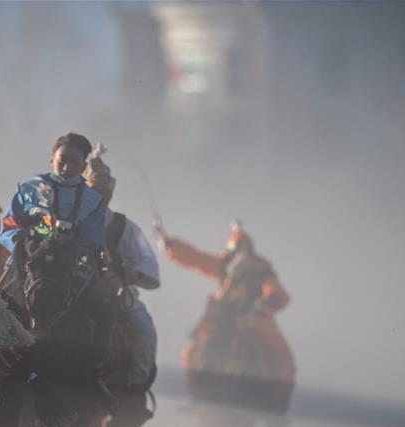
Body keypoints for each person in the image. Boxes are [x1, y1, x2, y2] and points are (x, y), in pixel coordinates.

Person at [1, 132, 116, 394]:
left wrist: (69, 250)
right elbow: (8, 226)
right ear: (52, 158)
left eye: (75, 163)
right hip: (30, 265)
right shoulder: (29, 190)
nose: (66, 168)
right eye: (62, 160)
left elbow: (92, 239)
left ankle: (96, 371)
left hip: (72, 269)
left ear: (84, 167)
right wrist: (24, 242)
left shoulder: (92, 200)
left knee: (105, 309)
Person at [156, 222, 295, 403]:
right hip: (221, 315)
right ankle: (196, 392)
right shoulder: (224, 265)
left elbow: (276, 291)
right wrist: (171, 246)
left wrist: (270, 300)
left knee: (279, 352)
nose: (239, 256)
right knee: (193, 350)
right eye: (235, 251)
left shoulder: (262, 271)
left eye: (243, 251)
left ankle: (279, 398)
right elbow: (197, 259)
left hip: (252, 316)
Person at [84, 147, 159, 392]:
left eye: (104, 191)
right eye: (94, 191)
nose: (100, 197)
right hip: (72, 288)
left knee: (144, 331)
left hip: (115, 293)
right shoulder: (69, 221)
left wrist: (127, 277)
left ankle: (134, 391)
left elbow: (144, 261)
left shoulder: (122, 226)